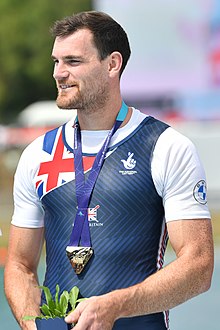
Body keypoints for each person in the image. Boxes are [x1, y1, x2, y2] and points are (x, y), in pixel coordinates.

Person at [4, 11, 214, 330]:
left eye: (73, 61)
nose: (59, 73)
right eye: (56, 61)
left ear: (112, 64)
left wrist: (114, 306)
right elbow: (20, 264)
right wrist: (33, 323)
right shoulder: (38, 154)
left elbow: (199, 267)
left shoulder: (166, 147)